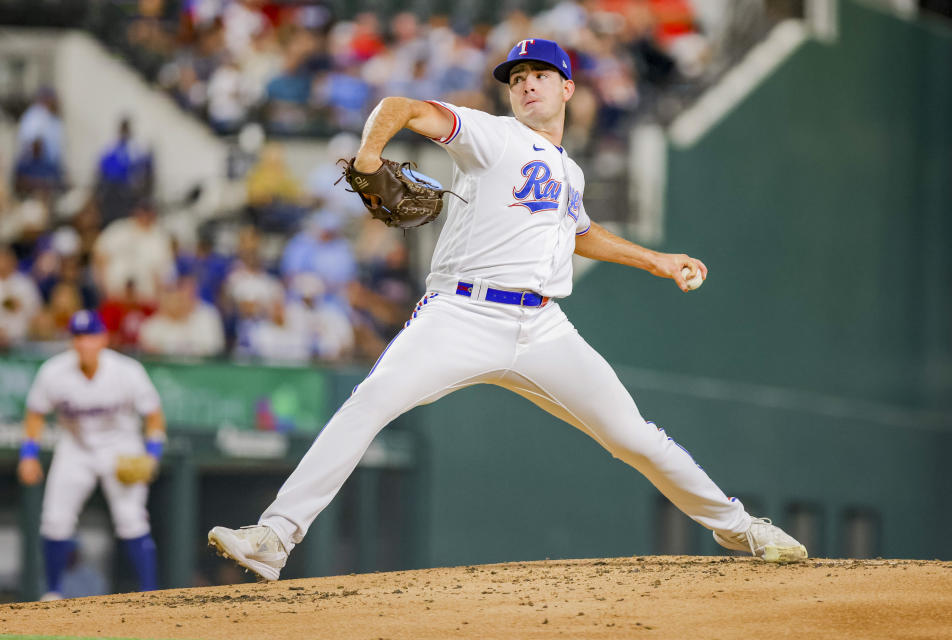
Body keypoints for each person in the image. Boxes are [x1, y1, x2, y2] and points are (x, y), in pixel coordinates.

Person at [208, 38, 806, 580]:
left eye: (539, 73)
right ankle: (275, 537)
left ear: (568, 87)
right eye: (516, 76)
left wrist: (657, 261)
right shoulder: (491, 135)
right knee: (368, 404)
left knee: (634, 437)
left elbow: (579, 233)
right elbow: (400, 106)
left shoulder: (568, 169)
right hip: (460, 315)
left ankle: (742, 529)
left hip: (544, 326)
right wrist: (369, 158)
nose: (525, 83)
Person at [17, 310, 166, 599]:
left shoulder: (127, 371)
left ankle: (151, 594)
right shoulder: (53, 371)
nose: (84, 343)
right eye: (78, 336)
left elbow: (154, 417)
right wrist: (28, 454)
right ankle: (53, 593)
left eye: (90, 336)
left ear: (103, 338)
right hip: (76, 448)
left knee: (130, 518)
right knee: (55, 520)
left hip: (121, 448)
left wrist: (153, 454)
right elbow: (35, 414)